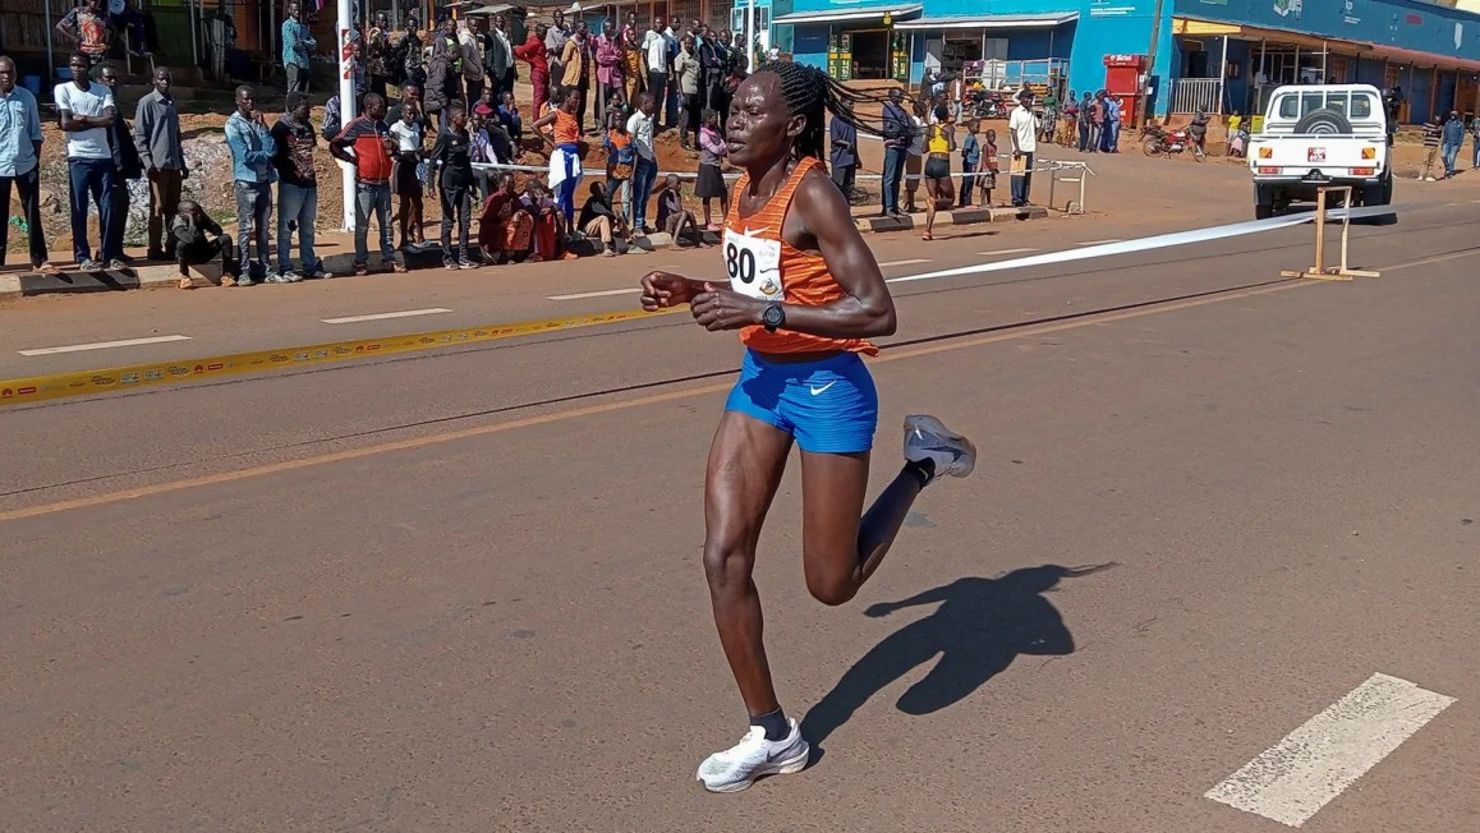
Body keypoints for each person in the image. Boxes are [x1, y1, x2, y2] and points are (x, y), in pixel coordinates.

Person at [637, 60, 977, 794]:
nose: (732, 121)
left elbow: (878, 311)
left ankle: (923, 461)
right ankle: (772, 731)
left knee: (832, 583)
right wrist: (694, 290)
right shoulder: (742, 187)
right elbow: (767, 288)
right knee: (723, 556)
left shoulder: (813, 192)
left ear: (790, 126)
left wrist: (762, 314)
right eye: (730, 108)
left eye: (749, 111)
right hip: (761, 381)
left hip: (828, 387)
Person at [55, 52, 120, 272]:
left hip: (103, 156)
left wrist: (83, 119)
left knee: (108, 207)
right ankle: (82, 256)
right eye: (73, 65)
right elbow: (65, 123)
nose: (76, 69)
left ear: (88, 67)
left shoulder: (103, 90)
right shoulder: (63, 89)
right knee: (79, 208)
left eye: (81, 66)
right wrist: (96, 122)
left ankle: (108, 254)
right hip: (78, 157)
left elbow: (110, 120)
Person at [331, 93, 405, 275]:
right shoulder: (356, 126)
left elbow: (393, 149)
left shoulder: (383, 126)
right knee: (362, 225)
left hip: (383, 183)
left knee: (386, 224)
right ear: (369, 107)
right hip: (365, 184)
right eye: (379, 106)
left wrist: (393, 146)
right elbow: (335, 144)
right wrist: (351, 159)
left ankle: (389, 258)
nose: (383, 109)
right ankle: (361, 261)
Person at [0, 56, 55, 274]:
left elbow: (35, 133)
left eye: (9, 72)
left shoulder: (26, 97)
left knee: (32, 213)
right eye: (1, 73)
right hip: (0, 165)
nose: (5, 77)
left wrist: (35, 163)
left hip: (26, 163)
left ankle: (40, 260)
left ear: (15, 74)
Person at [225, 85, 280, 284]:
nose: (250, 103)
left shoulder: (257, 121)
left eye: (253, 99)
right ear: (238, 100)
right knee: (246, 228)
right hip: (246, 182)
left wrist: (264, 127)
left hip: (264, 180)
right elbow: (244, 155)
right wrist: (265, 155)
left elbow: (273, 149)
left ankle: (266, 269)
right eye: (246, 99)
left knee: (264, 229)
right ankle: (244, 270)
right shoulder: (233, 125)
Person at [134, 66, 187, 262]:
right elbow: (140, 136)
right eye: (161, 79)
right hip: (157, 165)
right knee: (157, 207)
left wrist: (182, 162)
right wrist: (147, 162)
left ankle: (172, 245)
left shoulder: (171, 102)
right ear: (154, 80)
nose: (165, 83)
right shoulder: (147, 103)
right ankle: (154, 248)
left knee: (174, 209)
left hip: (174, 165)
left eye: (168, 80)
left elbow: (176, 135)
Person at [271, 92, 326, 281]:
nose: (309, 111)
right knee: (287, 226)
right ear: (293, 108)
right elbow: (275, 157)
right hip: (291, 185)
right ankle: (285, 267)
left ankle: (309, 265)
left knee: (308, 227)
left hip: (310, 183)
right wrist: (292, 171)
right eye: (305, 108)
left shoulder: (308, 126)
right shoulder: (280, 128)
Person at [97, 65, 141, 266]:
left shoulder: (113, 105)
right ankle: (107, 252)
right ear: (99, 80)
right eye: (108, 79)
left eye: (115, 79)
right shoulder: (101, 107)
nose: (112, 83)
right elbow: (111, 140)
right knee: (111, 209)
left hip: (119, 169)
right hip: (110, 168)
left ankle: (117, 249)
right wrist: (118, 166)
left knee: (121, 207)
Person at [427, 102, 478, 269]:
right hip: (448, 183)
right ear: (453, 119)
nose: (466, 119)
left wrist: (471, 183)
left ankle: (464, 256)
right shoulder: (444, 136)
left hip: (463, 182)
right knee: (448, 220)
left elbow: (466, 161)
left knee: (465, 219)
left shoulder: (465, 135)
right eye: (462, 116)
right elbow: (434, 160)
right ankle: (447, 256)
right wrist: (431, 185)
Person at [532, 86, 583, 231]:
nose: (578, 101)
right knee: (561, 194)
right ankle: (557, 230)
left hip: (574, 156)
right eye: (575, 98)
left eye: (579, 99)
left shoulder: (573, 115)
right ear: (566, 98)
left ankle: (570, 229)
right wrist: (551, 143)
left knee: (569, 195)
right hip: (563, 157)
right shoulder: (556, 114)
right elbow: (535, 126)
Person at [390, 99, 428, 251]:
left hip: (416, 164)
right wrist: (403, 151)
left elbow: (418, 143)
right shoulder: (396, 127)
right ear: (402, 113)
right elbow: (392, 146)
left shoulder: (417, 126)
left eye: (414, 113)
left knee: (418, 202)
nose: (411, 116)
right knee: (405, 202)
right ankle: (404, 238)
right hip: (403, 165)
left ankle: (420, 235)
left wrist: (420, 151)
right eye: (409, 113)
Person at [172, 200, 236, 288]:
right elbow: (190, 240)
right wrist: (191, 221)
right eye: (194, 213)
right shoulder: (177, 223)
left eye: (199, 211)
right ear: (183, 214)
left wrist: (205, 217)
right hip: (188, 257)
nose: (198, 214)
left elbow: (218, 232)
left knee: (226, 238)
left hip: (203, 253)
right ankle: (185, 277)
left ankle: (227, 275)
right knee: (181, 244)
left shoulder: (199, 217)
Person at [920, 105, 955, 242]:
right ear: (946, 115)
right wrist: (951, 138)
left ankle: (927, 230)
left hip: (930, 163)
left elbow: (923, 149)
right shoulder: (949, 129)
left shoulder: (931, 129)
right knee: (950, 199)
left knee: (932, 197)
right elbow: (951, 147)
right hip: (942, 163)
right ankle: (935, 202)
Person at [627, 91, 658, 234]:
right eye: (652, 102)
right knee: (638, 195)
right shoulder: (634, 120)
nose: (655, 105)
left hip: (651, 160)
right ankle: (637, 225)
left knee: (646, 195)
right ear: (644, 104)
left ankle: (643, 222)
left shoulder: (650, 119)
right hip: (640, 162)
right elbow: (631, 142)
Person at [477, 171, 526, 263]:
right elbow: (486, 220)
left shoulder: (513, 196)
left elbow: (522, 208)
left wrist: (517, 214)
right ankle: (501, 256)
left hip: (507, 225)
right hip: (493, 234)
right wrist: (501, 224)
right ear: (502, 184)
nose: (512, 185)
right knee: (508, 226)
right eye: (509, 183)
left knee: (525, 220)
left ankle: (518, 254)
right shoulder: (495, 198)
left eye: (513, 183)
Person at [696, 109, 728, 231]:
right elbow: (716, 149)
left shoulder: (716, 132)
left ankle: (726, 220)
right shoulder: (703, 135)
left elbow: (723, 147)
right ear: (708, 119)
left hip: (716, 166)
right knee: (707, 195)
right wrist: (721, 147)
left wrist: (721, 147)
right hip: (707, 166)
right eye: (714, 117)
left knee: (723, 194)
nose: (717, 119)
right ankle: (708, 221)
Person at [880, 87, 910, 218]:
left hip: (902, 146)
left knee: (897, 178)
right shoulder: (888, 109)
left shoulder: (902, 111)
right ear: (892, 96)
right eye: (899, 96)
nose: (901, 98)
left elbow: (909, 124)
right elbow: (894, 127)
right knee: (889, 178)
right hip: (892, 146)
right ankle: (888, 207)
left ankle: (895, 206)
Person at [1008, 89, 1037, 207]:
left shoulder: (1032, 113)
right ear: (1022, 99)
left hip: (1030, 148)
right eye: (1027, 98)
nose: (1030, 100)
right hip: (1019, 149)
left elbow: (1037, 126)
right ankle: (1016, 198)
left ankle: (1025, 198)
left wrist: (1036, 136)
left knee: (1027, 175)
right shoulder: (1016, 112)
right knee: (1017, 175)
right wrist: (1017, 148)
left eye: (1031, 98)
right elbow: (1013, 130)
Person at [578, 180, 623, 257]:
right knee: (603, 218)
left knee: (619, 217)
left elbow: (610, 213)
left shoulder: (603, 201)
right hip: (587, 229)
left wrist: (617, 217)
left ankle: (629, 242)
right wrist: (614, 215)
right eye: (603, 190)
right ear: (596, 191)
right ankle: (606, 246)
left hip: (598, 228)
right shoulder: (592, 201)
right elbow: (604, 212)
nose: (606, 192)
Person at [56, 0, 110, 65]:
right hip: (82, 52)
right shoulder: (78, 12)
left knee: (97, 73)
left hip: (100, 54)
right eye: (93, 0)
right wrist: (73, 38)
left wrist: (108, 45)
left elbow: (114, 30)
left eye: (97, 1)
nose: (95, 2)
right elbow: (59, 26)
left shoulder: (102, 15)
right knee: (83, 70)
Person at [605, 113, 635, 225]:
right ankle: (609, 218)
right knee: (608, 195)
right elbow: (607, 152)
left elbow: (635, 154)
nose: (619, 122)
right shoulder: (610, 135)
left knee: (625, 199)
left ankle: (625, 222)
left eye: (622, 120)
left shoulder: (630, 137)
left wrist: (633, 173)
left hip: (627, 171)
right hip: (613, 170)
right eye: (616, 120)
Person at [561, 22, 591, 134]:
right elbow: (564, 60)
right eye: (582, 27)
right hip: (574, 79)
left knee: (582, 105)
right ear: (577, 29)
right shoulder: (571, 43)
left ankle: (580, 128)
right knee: (573, 105)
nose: (584, 29)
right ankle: (570, 128)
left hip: (583, 78)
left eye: (585, 27)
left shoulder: (585, 42)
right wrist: (571, 71)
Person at [520, 180, 562, 261]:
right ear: (533, 190)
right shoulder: (524, 199)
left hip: (536, 222)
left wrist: (550, 210)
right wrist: (540, 198)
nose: (542, 192)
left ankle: (561, 249)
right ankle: (532, 253)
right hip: (526, 226)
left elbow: (557, 206)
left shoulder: (536, 199)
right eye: (539, 189)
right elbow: (535, 211)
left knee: (559, 214)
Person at [656, 173, 701, 247]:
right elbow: (678, 210)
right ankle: (674, 242)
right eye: (678, 183)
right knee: (684, 213)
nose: (680, 186)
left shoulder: (677, 195)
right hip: (664, 223)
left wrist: (676, 196)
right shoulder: (664, 196)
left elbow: (678, 210)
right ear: (670, 185)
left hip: (673, 221)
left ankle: (698, 240)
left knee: (690, 213)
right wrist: (675, 196)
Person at [516, 23, 551, 116]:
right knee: (538, 99)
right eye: (542, 33)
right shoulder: (534, 42)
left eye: (545, 34)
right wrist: (529, 61)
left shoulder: (541, 42)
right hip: (538, 72)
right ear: (537, 32)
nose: (544, 36)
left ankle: (543, 119)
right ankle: (536, 123)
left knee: (545, 98)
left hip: (544, 72)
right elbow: (519, 51)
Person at [281, 2, 316, 94]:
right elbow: (294, 44)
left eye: (298, 10)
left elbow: (313, 44)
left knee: (303, 90)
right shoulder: (287, 25)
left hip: (304, 62)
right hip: (292, 60)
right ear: (289, 11)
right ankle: (290, 108)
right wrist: (305, 43)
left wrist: (304, 43)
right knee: (293, 89)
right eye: (294, 9)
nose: (297, 12)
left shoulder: (303, 27)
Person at [643, 16, 670, 130]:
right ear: (653, 24)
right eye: (657, 23)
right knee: (652, 98)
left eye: (661, 23)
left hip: (662, 71)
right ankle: (649, 122)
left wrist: (668, 70)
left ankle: (656, 121)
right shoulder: (649, 34)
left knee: (660, 98)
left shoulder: (665, 36)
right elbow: (644, 51)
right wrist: (647, 66)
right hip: (653, 71)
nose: (659, 25)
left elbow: (667, 53)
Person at [675, 35, 702, 149]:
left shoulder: (696, 57)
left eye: (690, 43)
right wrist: (681, 94)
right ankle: (684, 141)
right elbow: (677, 76)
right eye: (686, 43)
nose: (688, 45)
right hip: (686, 91)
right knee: (685, 118)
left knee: (697, 118)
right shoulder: (681, 57)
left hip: (695, 90)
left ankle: (697, 142)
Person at [595, 20, 625, 122]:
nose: (612, 30)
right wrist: (613, 58)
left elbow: (619, 55)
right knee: (603, 101)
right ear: (604, 29)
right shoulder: (599, 41)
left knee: (619, 98)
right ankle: (603, 123)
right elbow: (601, 59)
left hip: (614, 74)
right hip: (604, 75)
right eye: (610, 28)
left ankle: (617, 121)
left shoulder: (613, 40)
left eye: (613, 28)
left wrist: (616, 55)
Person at [459, 17, 486, 111]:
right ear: (469, 26)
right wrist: (476, 70)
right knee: (473, 100)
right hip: (472, 76)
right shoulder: (466, 39)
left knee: (480, 99)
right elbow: (465, 59)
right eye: (474, 26)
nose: (476, 28)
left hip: (479, 75)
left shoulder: (475, 37)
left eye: (477, 26)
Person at [904, 98, 926, 213]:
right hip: (913, 152)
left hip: (915, 152)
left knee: (914, 178)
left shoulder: (919, 121)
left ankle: (909, 203)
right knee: (912, 178)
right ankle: (909, 204)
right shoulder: (915, 122)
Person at [487, 15, 514, 100]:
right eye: (498, 21)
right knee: (498, 94)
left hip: (509, 69)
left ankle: (506, 112)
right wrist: (492, 71)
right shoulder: (491, 36)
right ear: (495, 23)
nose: (501, 23)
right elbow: (489, 55)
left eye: (502, 21)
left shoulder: (507, 36)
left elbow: (510, 53)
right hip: (498, 72)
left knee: (508, 93)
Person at [366, 13, 392, 99]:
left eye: (385, 20)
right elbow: (372, 48)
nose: (385, 23)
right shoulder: (375, 33)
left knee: (382, 87)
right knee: (377, 87)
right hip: (376, 65)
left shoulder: (383, 33)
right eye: (382, 20)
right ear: (377, 21)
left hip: (382, 65)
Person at [957, 117, 980, 209]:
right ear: (971, 127)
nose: (979, 129)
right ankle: (967, 201)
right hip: (970, 162)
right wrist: (966, 157)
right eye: (977, 127)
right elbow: (966, 149)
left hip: (971, 162)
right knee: (968, 182)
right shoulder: (970, 138)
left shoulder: (972, 138)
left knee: (967, 181)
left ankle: (964, 201)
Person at [546, 9, 570, 90]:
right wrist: (564, 46)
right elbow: (551, 50)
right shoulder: (551, 32)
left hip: (566, 64)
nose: (560, 19)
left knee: (565, 88)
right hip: (556, 63)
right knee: (556, 87)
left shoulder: (567, 32)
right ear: (554, 18)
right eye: (557, 17)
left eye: (561, 17)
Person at [979, 128, 1000, 207]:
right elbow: (985, 158)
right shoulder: (985, 146)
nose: (993, 138)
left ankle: (989, 201)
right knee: (984, 187)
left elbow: (993, 158)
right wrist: (990, 168)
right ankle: (982, 202)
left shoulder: (995, 147)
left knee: (989, 187)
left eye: (994, 136)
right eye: (991, 136)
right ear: (987, 137)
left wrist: (995, 168)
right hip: (985, 169)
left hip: (991, 169)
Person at [1441, 109, 1464, 179]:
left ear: (1457, 116)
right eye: (1451, 115)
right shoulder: (1447, 123)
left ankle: (1450, 172)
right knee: (1443, 156)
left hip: (1455, 144)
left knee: (1451, 158)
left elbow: (1461, 136)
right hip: (1447, 142)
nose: (1452, 116)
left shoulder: (1460, 124)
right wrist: (1443, 143)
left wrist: (1459, 145)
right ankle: (1447, 168)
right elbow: (1444, 134)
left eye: (1454, 115)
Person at [1421, 114, 1442, 181]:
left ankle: (1429, 175)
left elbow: (1439, 136)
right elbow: (1424, 133)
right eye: (1436, 121)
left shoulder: (1439, 127)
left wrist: (1436, 131)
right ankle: (1422, 175)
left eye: (1438, 121)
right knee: (1425, 161)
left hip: (1435, 145)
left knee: (1431, 162)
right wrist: (1434, 131)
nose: (1437, 122)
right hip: (1427, 145)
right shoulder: (1427, 125)